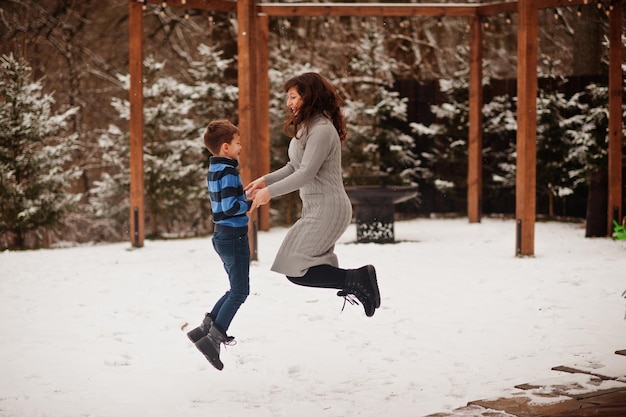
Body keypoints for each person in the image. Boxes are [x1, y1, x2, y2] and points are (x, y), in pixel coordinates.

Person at [246, 72, 381, 317]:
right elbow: (294, 166)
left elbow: (306, 173)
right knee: (294, 267)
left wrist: (268, 194)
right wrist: (264, 181)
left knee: (298, 267)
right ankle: (357, 280)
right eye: (289, 97)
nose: (289, 103)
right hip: (317, 208)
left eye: (293, 97)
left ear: (310, 97)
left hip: (329, 208)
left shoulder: (321, 130)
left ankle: (359, 279)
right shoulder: (308, 128)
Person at [187, 119, 252, 371]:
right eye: (237, 143)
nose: (240, 147)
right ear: (225, 147)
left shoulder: (216, 169)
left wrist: (244, 194)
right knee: (240, 291)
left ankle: (204, 329)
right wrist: (249, 203)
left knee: (233, 289)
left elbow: (228, 199)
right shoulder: (227, 172)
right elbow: (230, 206)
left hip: (223, 236)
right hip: (233, 238)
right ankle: (214, 338)